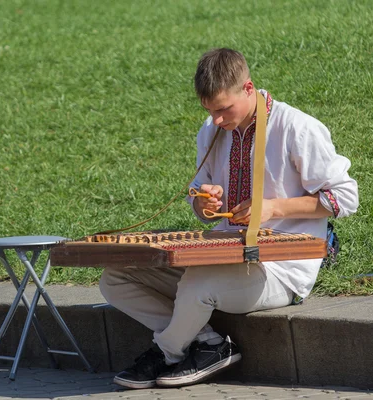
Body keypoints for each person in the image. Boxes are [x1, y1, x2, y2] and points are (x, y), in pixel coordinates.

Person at [99, 48, 359, 389]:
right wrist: (204, 204)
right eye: (210, 110)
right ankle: (209, 344)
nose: (217, 120)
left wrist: (274, 208)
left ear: (248, 88)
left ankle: (166, 352)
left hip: (281, 269)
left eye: (223, 109)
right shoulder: (211, 131)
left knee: (199, 283)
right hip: (222, 255)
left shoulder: (297, 128)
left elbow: (344, 198)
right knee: (115, 278)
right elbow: (197, 198)